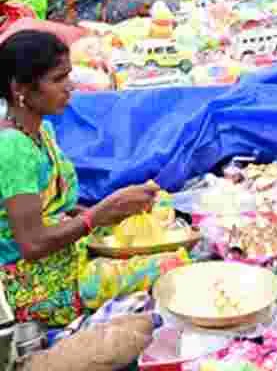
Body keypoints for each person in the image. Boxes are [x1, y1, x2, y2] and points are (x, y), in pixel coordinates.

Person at [0, 30, 164, 326]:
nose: (70, 87)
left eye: (68, 76)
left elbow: (54, 209)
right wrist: (97, 215)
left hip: (62, 255)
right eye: (58, 79)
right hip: (29, 283)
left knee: (155, 238)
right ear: (19, 88)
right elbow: (32, 244)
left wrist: (112, 211)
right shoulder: (12, 148)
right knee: (167, 267)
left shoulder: (42, 132)